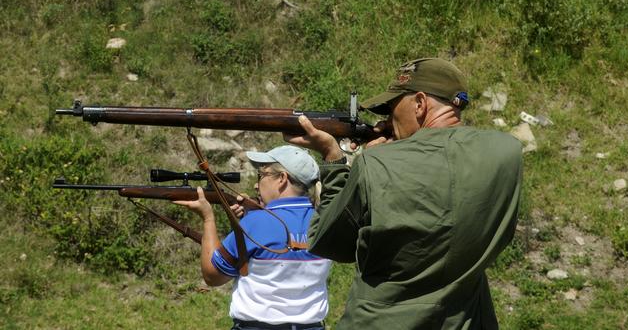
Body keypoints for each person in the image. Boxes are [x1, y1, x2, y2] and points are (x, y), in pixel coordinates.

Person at [284, 58, 523, 329]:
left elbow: (327, 241)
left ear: (419, 104)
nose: (385, 120)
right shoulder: (506, 154)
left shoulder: (376, 164)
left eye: (391, 108)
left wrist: (334, 160)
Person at [174, 145, 332, 330]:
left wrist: (208, 218)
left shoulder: (255, 223)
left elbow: (212, 277)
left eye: (262, 175)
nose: (257, 184)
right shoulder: (326, 222)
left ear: (282, 179)